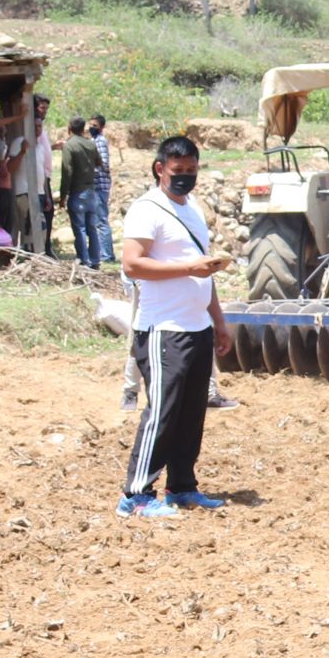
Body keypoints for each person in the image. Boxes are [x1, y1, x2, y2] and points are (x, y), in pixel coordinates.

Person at [116, 136, 233, 519]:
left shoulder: (192, 208)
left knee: (191, 414)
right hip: (164, 328)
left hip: (197, 326)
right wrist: (188, 269)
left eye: (191, 170)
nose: (185, 177)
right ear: (160, 169)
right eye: (178, 171)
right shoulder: (146, 210)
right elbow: (132, 264)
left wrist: (218, 321)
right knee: (163, 413)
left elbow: (204, 271)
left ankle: (182, 487)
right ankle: (136, 495)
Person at [10, 97, 53, 253]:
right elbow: (10, 167)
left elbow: (42, 172)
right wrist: (22, 151)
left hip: (39, 193)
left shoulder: (40, 146)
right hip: (24, 192)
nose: (38, 129)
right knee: (29, 227)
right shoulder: (19, 142)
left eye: (40, 126)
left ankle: (38, 255)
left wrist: (47, 195)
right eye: (34, 126)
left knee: (41, 227)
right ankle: (30, 255)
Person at [61, 118, 104, 266]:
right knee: (92, 227)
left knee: (79, 228)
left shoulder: (69, 145)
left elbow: (67, 171)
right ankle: (95, 259)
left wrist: (63, 196)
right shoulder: (90, 144)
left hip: (77, 191)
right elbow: (99, 162)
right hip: (91, 190)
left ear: (69, 128)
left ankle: (84, 260)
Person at [88, 114, 117, 268]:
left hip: (100, 184)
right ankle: (103, 253)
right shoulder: (93, 141)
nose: (91, 128)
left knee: (101, 221)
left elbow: (104, 164)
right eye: (90, 125)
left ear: (101, 127)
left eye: (95, 125)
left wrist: (91, 167)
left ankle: (107, 255)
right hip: (96, 185)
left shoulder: (100, 141)